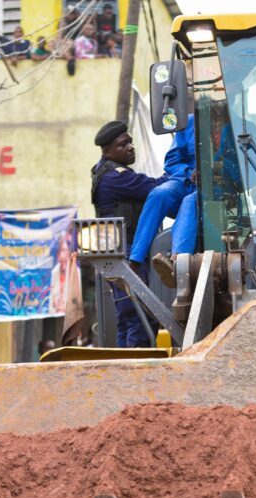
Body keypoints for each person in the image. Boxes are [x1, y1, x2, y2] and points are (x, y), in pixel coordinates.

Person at [91, 120, 167, 347]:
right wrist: (178, 176)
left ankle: (123, 368)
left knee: (127, 316)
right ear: (107, 151)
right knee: (141, 316)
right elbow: (154, 186)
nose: (130, 147)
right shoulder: (116, 177)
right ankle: (136, 371)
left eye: (130, 142)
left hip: (118, 251)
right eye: (123, 144)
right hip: (128, 252)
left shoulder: (104, 172)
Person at [128, 115, 196, 276]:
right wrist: (189, 173)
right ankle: (135, 261)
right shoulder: (190, 122)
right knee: (159, 193)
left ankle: (177, 261)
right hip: (185, 180)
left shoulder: (240, 128)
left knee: (191, 201)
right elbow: (172, 162)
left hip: (216, 188)